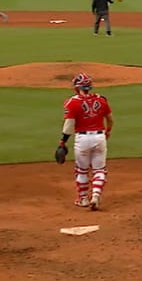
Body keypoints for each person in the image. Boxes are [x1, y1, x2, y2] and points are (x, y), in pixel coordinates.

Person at [58, 73, 114, 211]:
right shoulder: (102, 100)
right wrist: (107, 131)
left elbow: (69, 125)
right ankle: (95, 195)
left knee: (82, 170)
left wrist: (62, 142)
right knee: (99, 169)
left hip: (82, 139)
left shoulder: (72, 102)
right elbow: (110, 119)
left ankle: (83, 199)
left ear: (77, 88)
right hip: (100, 137)